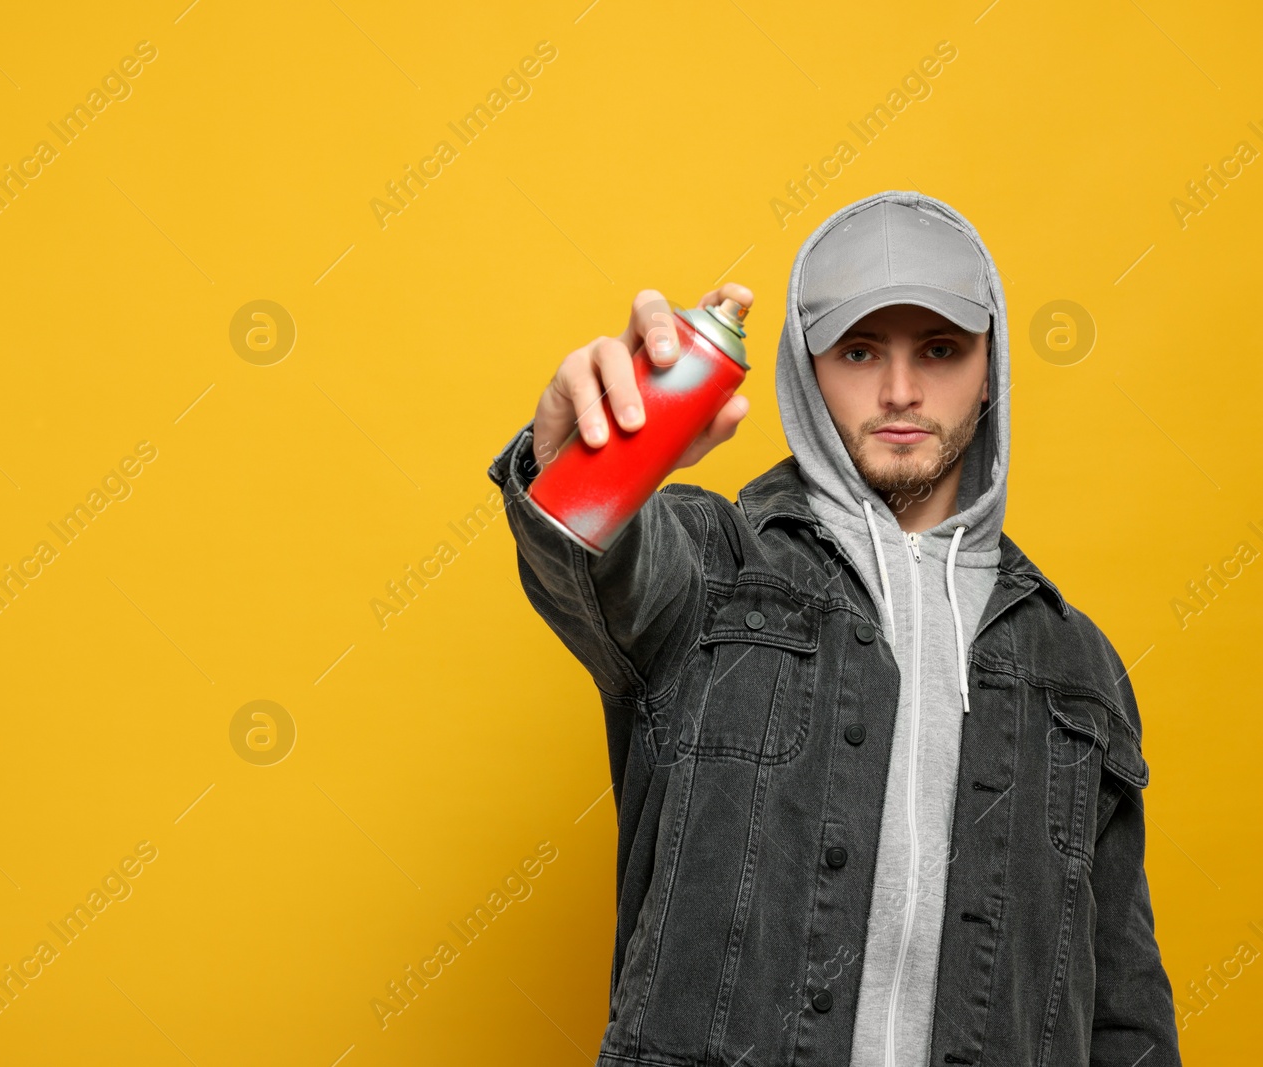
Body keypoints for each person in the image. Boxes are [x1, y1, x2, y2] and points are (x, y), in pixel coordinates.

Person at [486, 191, 1180, 1066]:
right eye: (859, 350)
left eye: (939, 349)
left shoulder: (1078, 664)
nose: (899, 391)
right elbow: (586, 558)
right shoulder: (709, 569)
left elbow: (1125, 1015)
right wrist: (575, 466)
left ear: (992, 366)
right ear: (804, 367)